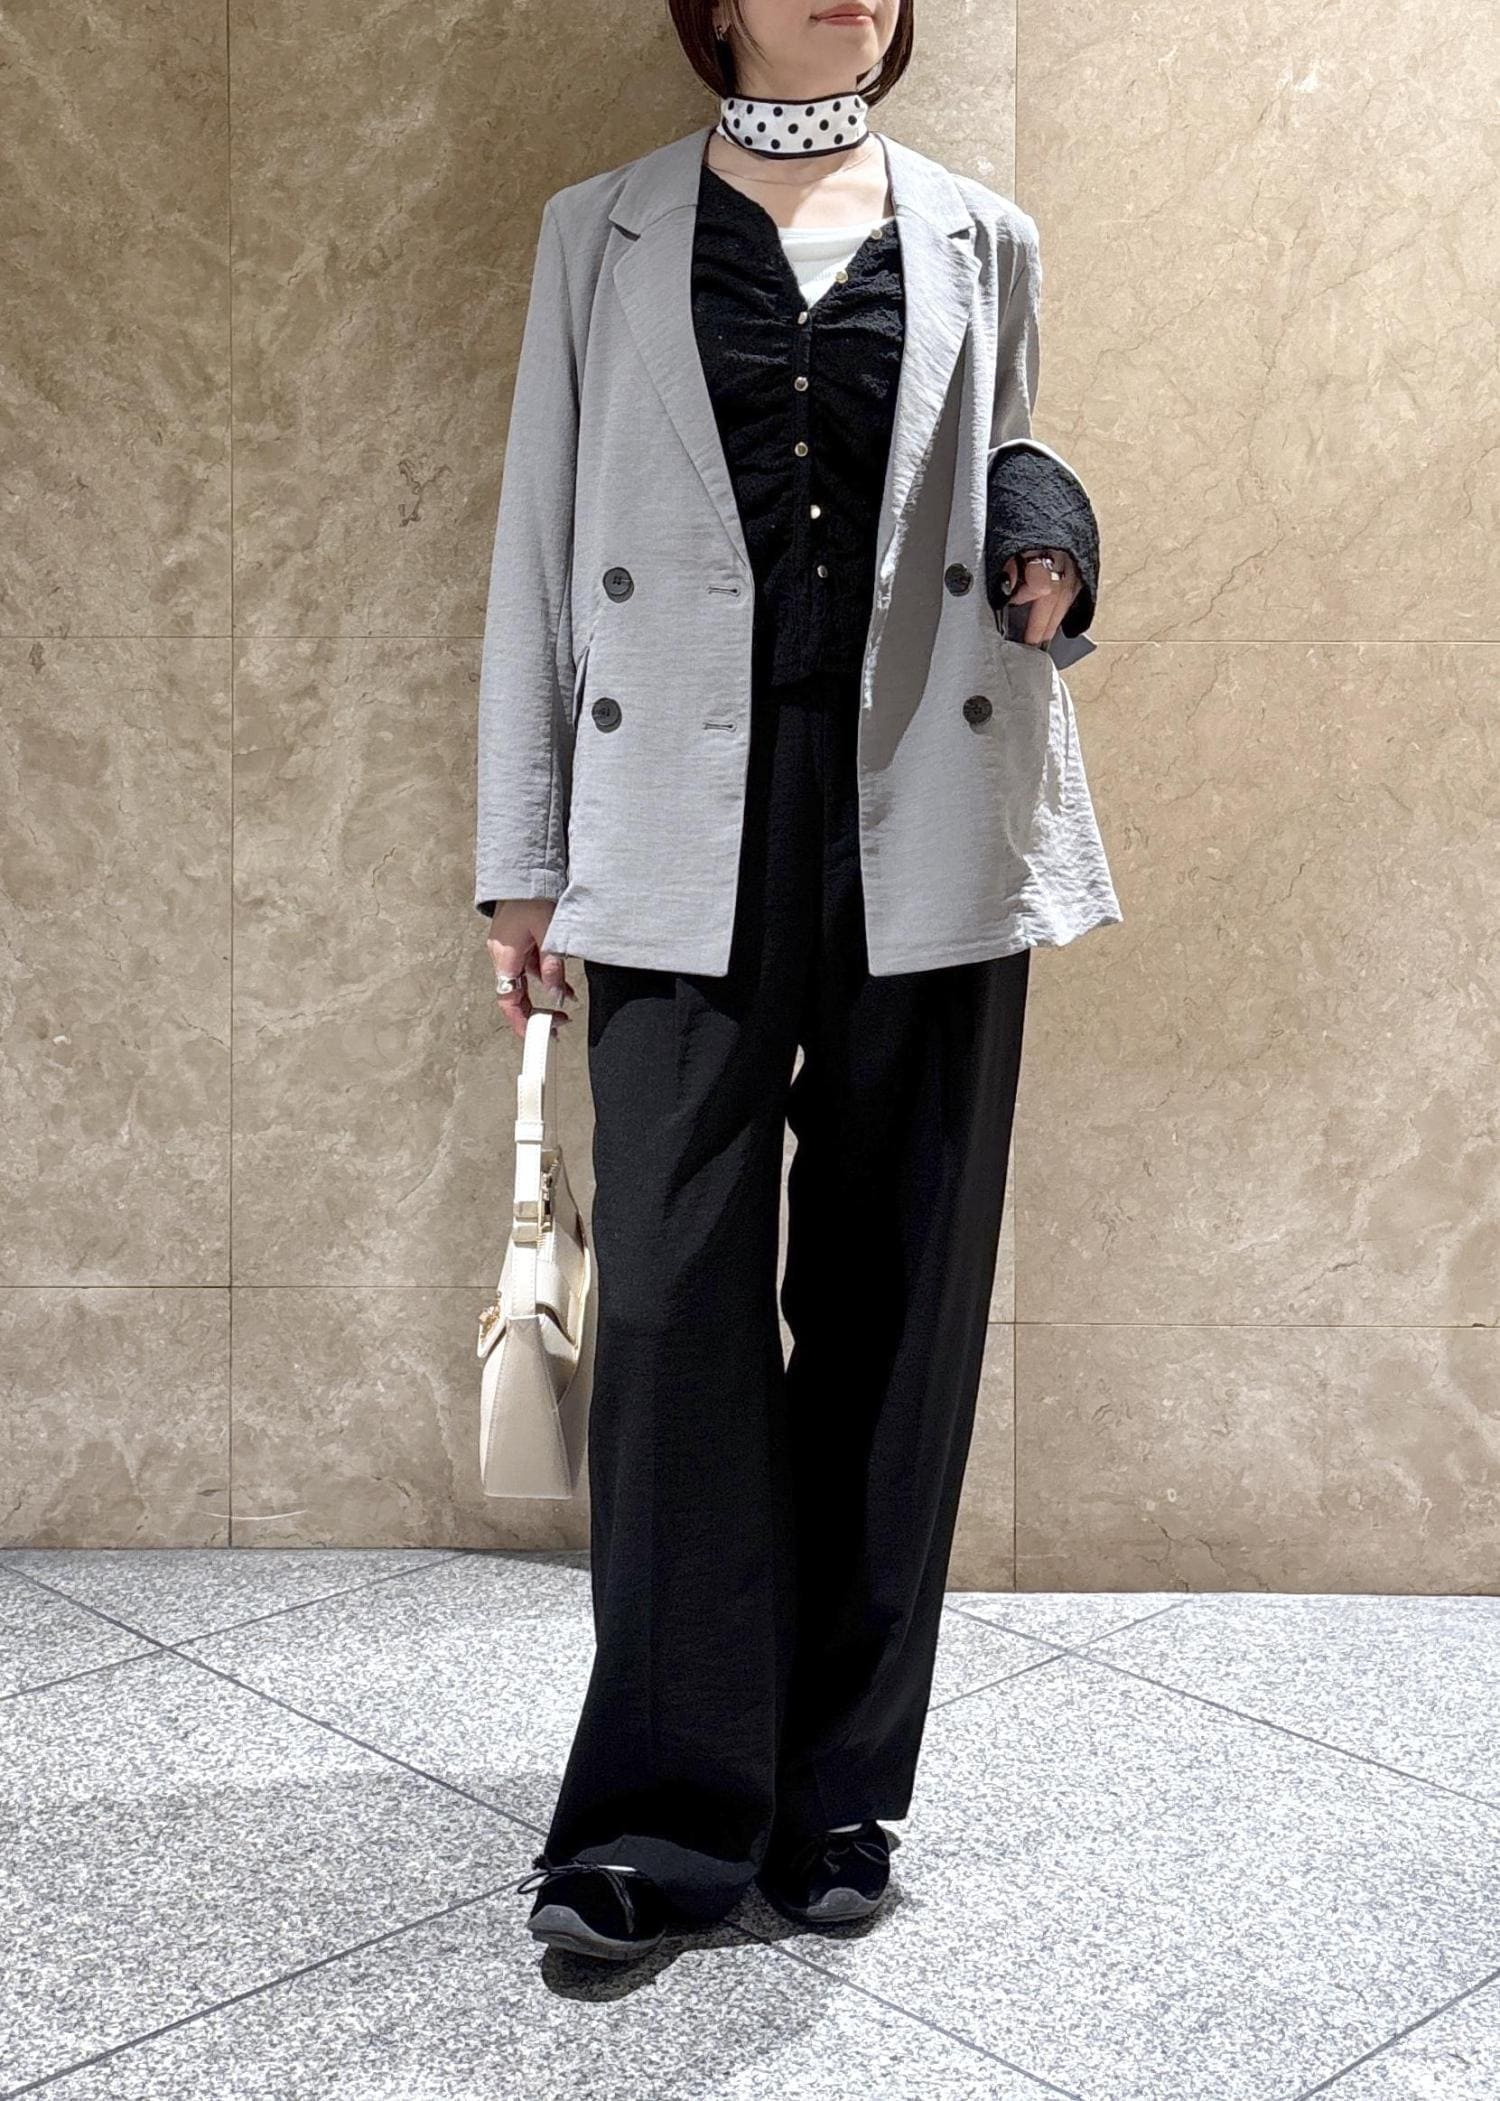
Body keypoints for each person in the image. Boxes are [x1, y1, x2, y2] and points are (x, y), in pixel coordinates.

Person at [476, 0, 1121, 1963]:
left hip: (929, 805)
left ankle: (838, 1791)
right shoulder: (600, 230)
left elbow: (1010, 465)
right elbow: (534, 541)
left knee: (894, 1302)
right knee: (676, 1309)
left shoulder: (983, 233)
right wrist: (523, 855)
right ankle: (664, 1815)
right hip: (678, 817)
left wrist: (1058, 532)